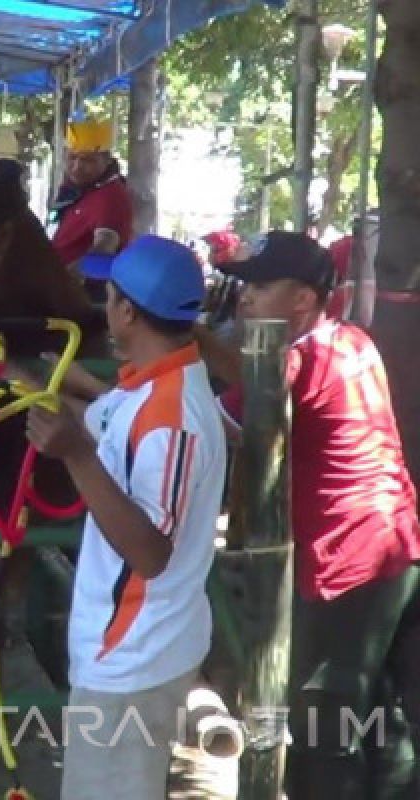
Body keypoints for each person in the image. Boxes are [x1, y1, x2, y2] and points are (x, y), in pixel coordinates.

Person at [206, 232, 420, 799]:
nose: (245, 297)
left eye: (261, 286)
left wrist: (188, 340)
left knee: (321, 721)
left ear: (303, 300)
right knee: (385, 715)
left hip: (346, 556)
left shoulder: (302, 357)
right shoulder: (351, 340)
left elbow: (238, 408)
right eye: (244, 284)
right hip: (395, 544)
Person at [13, 235, 225, 799]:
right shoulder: (150, 385)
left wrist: (75, 457)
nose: (103, 305)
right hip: (131, 649)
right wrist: (21, 379)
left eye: (108, 295)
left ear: (127, 311)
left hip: (133, 657)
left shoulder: (173, 417)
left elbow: (150, 554)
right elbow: (103, 420)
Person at [50, 119, 134, 294]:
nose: (77, 167)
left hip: (85, 296)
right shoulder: (80, 189)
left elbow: (104, 247)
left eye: (87, 160)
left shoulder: (111, 195)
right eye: (72, 158)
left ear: (107, 160)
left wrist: (61, 280)